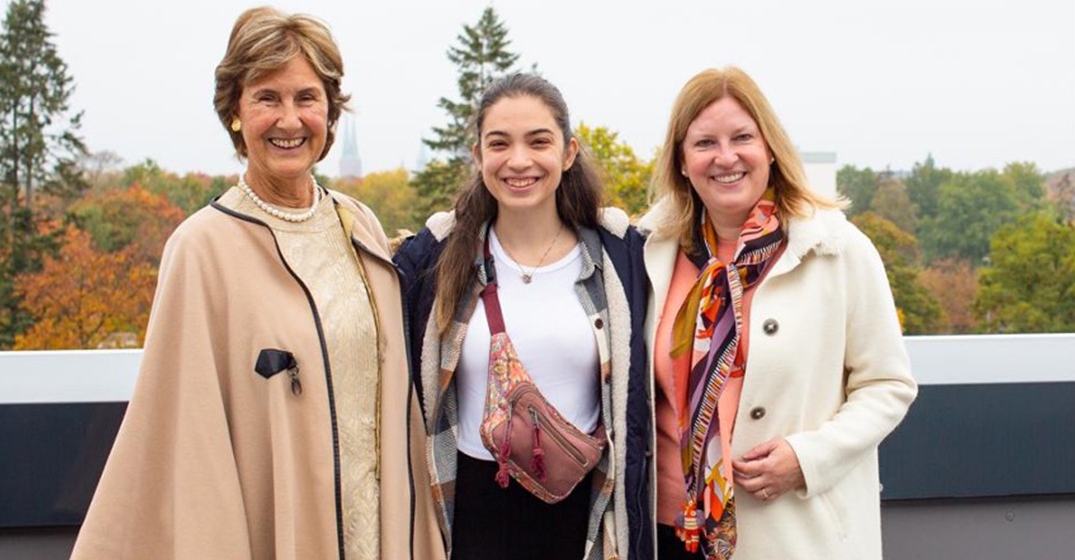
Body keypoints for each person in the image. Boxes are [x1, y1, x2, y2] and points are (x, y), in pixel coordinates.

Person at [70, 7, 442, 560]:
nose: (289, 120)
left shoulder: (357, 224)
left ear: (330, 113)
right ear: (236, 113)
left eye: (306, 98)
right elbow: (183, 436)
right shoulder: (202, 249)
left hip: (379, 534)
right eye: (267, 98)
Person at [639, 66, 918, 560]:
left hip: (792, 534)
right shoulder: (653, 253)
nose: (726, 157)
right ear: (682, 161)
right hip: (670, 532)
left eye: (742, 137)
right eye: (704, 143)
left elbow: (888, 385)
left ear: (769, 147)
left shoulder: (836, 250)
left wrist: (807, 459)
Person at [395, 73, 652, 560]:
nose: (518, 161)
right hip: (470, 511)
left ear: (569, 152)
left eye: (539, 142)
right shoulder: (436, 260)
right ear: (478, 157)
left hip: (581, 516)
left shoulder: (619, 259)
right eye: (499, 144)